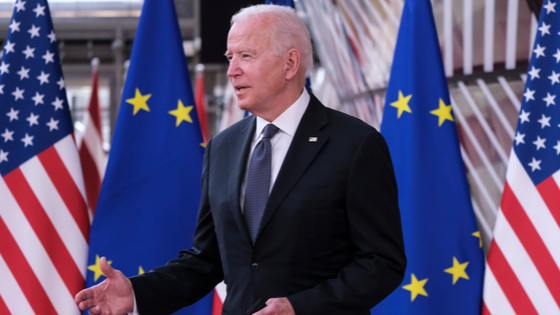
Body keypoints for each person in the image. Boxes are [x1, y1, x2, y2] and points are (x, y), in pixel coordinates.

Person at [75, 4, 406, 315]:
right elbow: (207, 259)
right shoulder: (223, 146)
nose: (232, 71)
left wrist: (299, 307)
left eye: (246, 56)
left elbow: (381, 262)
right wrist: (136, 293)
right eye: (230, 56)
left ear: (290, 64)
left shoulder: (355, 144)